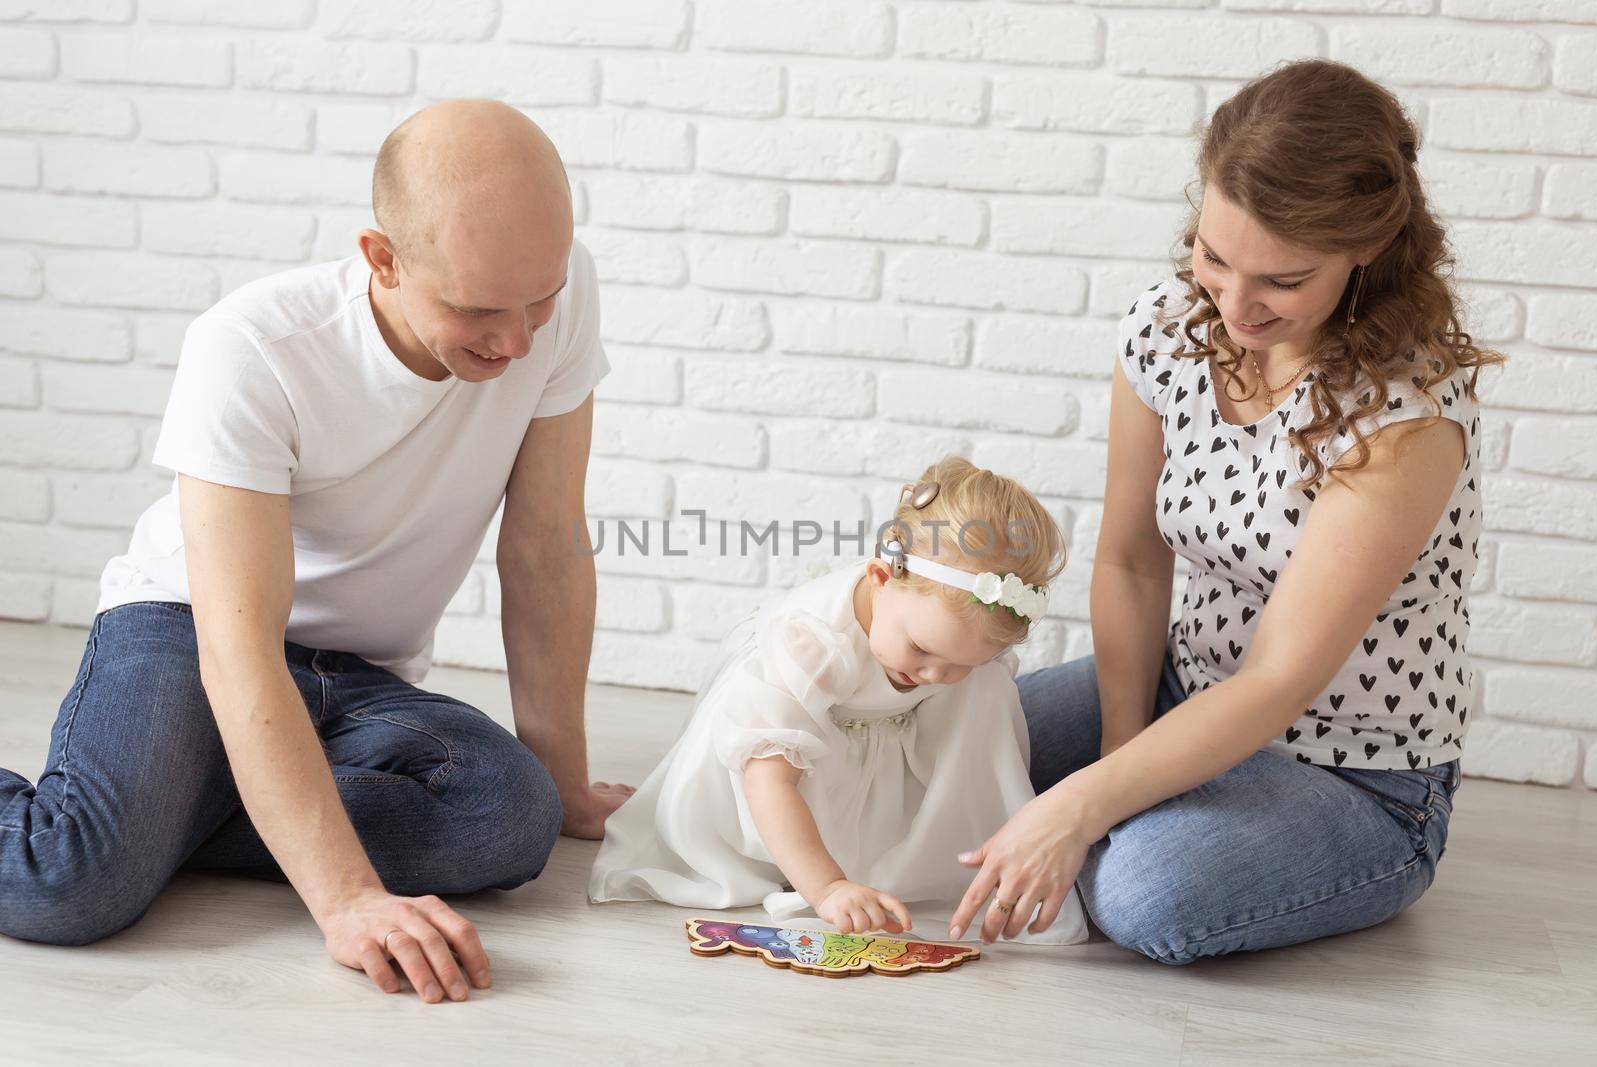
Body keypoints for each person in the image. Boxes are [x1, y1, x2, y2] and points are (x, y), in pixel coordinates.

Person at [0, 100, 633, 1002]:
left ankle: (170, 810)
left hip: (363, 675)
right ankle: (136, 827)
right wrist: (345, 898)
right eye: (479, 310)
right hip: (188, 633)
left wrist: (567, 783)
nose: (520, 341)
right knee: (68, 880)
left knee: (512, 814)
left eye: (542, 299)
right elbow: (237, 645)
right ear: (382, 257)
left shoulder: (550, 297)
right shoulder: (253, 347)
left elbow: (544, 551)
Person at [947, 60, 1504, 961]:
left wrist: (1087, 802)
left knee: (1147, 891)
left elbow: (1278, 679)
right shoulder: (1169, 327)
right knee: (946, 738)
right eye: (1214, 255)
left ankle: (1150, 841)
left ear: (1366, 248)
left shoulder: (1407, 416)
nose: (1234, 304)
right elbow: (1130, 559)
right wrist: (1121, 758)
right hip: (1184, 693)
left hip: (1353, 772)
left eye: (1282, 280)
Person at [590, 457, 1087, 945]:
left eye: (960, 662)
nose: (934, 674)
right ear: (879, 578)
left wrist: (969, 675)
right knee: (772, 793)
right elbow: (768, 778)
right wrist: (827, 887)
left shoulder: (945, 648)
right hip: (780, 767)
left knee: (987, 691)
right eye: (922, 649)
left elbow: (960, 683)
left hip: (878, 743)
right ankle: (806, 861)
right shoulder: (815, 643)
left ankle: (961, 856)